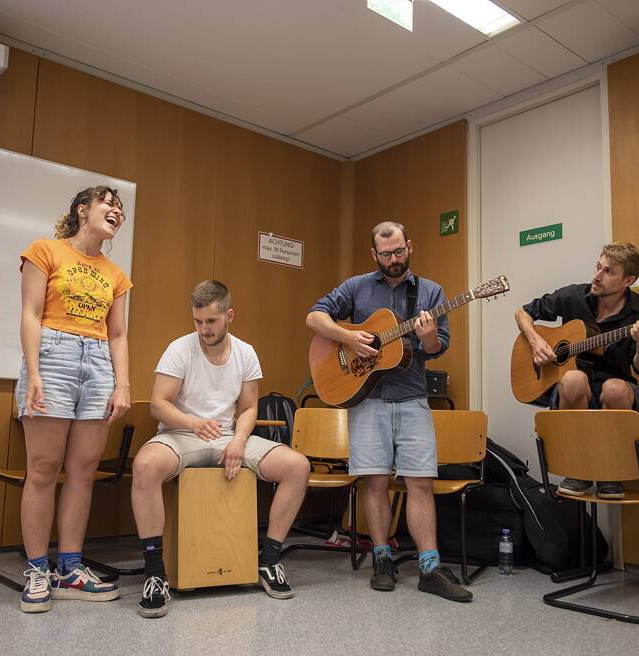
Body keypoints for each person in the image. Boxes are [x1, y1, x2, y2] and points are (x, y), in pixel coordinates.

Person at [306, 221, 472, 603]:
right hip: (367, 400)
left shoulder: (431, 292)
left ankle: (429, 567)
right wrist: (349, 337)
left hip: (412, 397)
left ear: (409, 246)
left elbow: (436, 346)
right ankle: (382, 559)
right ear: (374, 254)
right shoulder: (357, 287)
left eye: (399, 251)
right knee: (375, 482)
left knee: (420, 482)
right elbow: (315, 317)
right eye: (386, 254)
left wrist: (428, 336)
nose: (394, 260)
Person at [131, 280, 311, 618]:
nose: (203, 329)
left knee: (297, 467)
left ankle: (269, 562)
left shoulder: (246, 352)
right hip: (182, 434)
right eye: (197, 321)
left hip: (228, 435)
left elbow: (248, 408)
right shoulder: (180, 349)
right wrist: (192, 422)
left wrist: (240, 441)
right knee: (144, 466)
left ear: (229, 315)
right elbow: (158, 404)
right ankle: (155, 573)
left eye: (211, 321)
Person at [15, 186, 132, 612]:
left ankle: (70, 568)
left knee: (83, 470)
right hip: (53, 356)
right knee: (43, 469)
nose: (116, 211)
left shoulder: (117, 276)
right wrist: (33, 371)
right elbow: (30, 313)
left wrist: (123, 384)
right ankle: (37, 569)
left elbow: (118, 334)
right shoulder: (45, 251)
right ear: (83, 210)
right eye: (108, 203)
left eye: (121, 208)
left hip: (98, 364)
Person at [515, 242, 639, 499]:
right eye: (598, 267)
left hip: (618, 392)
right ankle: (577, 470)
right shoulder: (573, 296)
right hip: (573, 390)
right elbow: (523, 313)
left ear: (628, 280)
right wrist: (536, 342)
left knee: (614, 388)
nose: (597, 276)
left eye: (608, 272)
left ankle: (608, 472)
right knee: (572, 378)